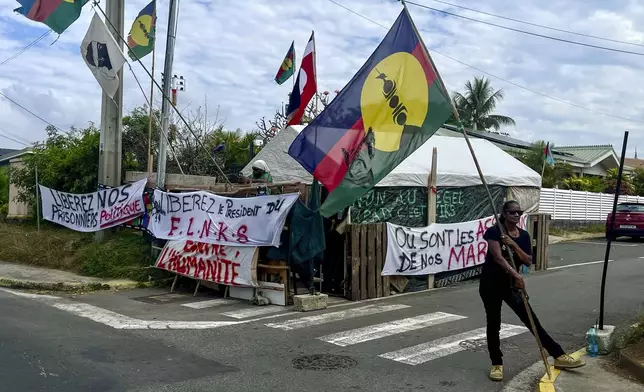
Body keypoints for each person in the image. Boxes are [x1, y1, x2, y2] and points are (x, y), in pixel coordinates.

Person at [481, 200, 585, 382]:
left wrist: (512, 244)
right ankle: (496, 364)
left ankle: (558, 356)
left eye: (519, 212)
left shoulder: (524, 236)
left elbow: (528, 260)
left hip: (511, 286)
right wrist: (516, 275)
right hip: (491, 284)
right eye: (512, 212)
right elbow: (497, 258)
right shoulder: (494, 231)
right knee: (493, 323)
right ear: (504, 214)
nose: (516, 215)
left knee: (532, 321)